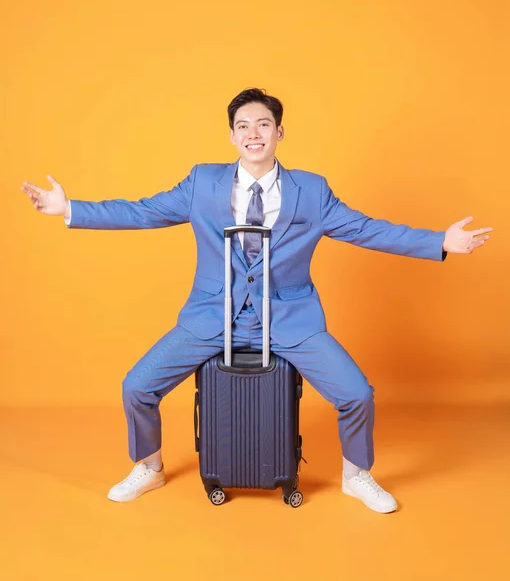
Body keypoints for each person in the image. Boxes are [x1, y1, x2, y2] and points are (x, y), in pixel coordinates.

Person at [21, 88, 492, 514]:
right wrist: (71, 209)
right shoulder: (202, 183)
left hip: (289, 317)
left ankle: (357, 475)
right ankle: (149, 467)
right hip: (212, 315)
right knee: (137, 386)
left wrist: (440, 242)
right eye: (243, 126)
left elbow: (366, 229)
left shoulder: (312, 190)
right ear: (231, 136)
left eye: (263, 124)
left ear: (279, 132)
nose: (253, 133)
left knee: (357, 394)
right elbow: (143, 211)